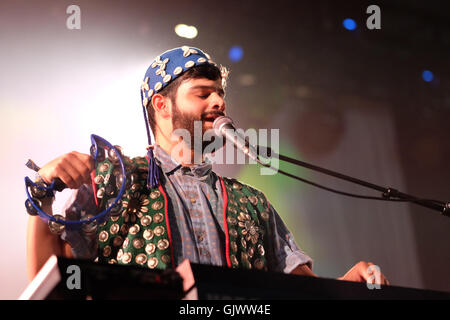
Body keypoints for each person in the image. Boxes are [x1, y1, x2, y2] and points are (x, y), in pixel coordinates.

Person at [27, 46, 388, 286]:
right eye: (202, 93)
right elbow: (51, 276)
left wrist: (347, 286)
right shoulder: (115, 182)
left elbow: (302, 291)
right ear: (162, 105)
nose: (218, 101)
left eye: (220, 93)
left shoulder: (253, 202)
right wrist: (42, 193)